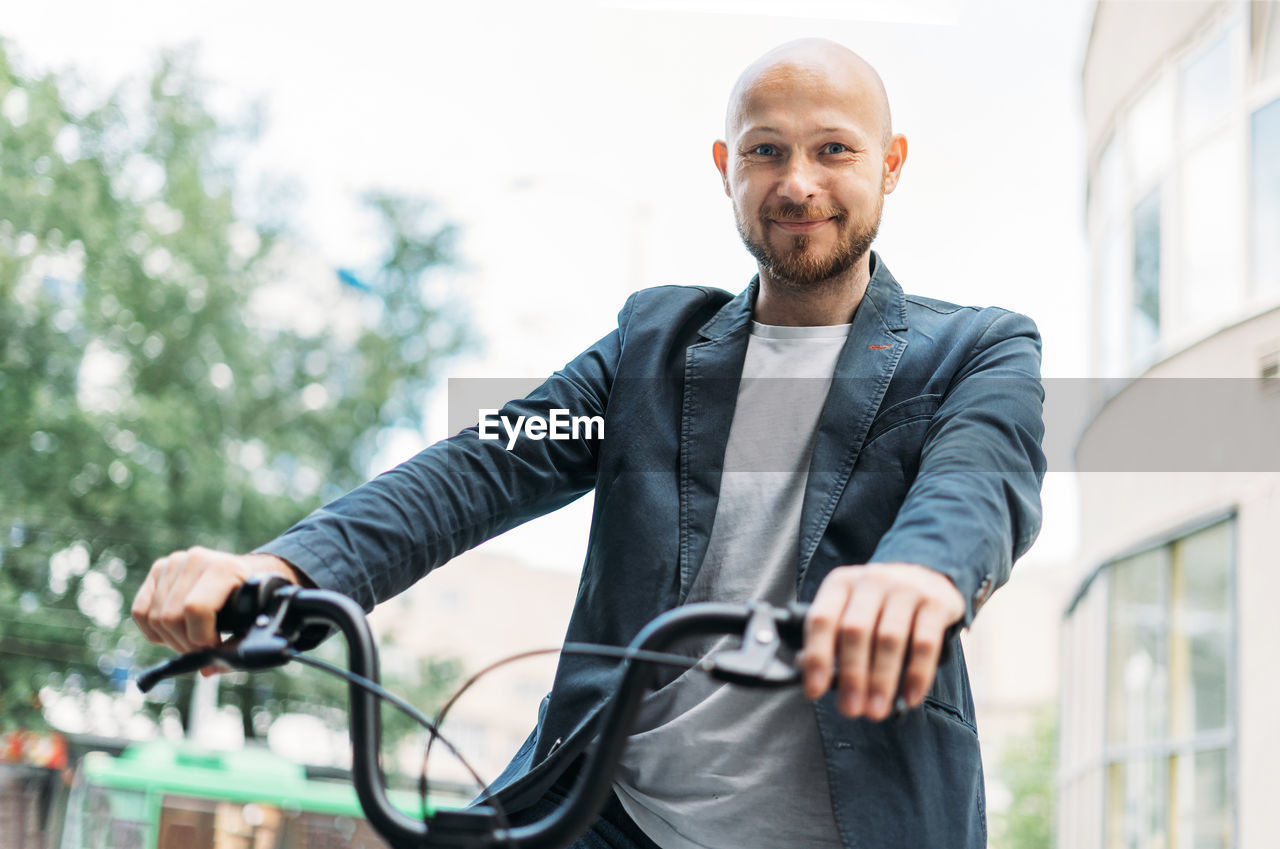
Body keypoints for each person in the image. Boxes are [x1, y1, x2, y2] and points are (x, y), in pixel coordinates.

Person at [132, 38, 1045, 848]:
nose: (797, 181)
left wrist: (921, 573)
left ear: (890, 165)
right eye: (767, 151)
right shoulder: (654, 352)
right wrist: (285, 567)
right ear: (728, 167)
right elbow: (486, 465)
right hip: (613, 813)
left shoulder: (975, 349)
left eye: (832, 150)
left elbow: (981, 474)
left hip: (862, 820)